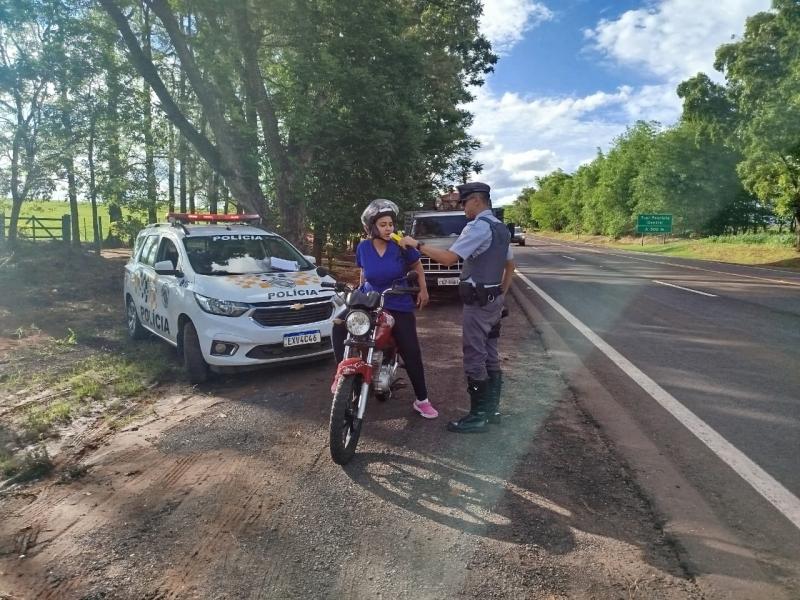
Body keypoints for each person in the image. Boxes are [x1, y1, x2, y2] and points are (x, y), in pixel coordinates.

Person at [399, 182, 514, 433]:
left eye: (464, 204)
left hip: (478, 304)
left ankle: (477, 417)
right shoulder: (500, 228)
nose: (464, 210)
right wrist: (501, 294)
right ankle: (491, 411)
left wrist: (416, 244)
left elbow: (450, 259)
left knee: (474, 356)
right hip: (493, 301)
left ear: (475, 200)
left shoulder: (478, 227)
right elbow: (510, 267)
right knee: (490, 354)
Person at [331, 199, 439, 419]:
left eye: (390, 224)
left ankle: (422, 399)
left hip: (397, 301)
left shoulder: (401, 246)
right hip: (370, 301)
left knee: (410, 350)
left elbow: (417, 266)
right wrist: (358, 293)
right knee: (339, 326)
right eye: (383, 224)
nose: (389, 228)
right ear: (372, 227)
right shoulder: (363, 247)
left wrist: (423, 290)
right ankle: (341, 373)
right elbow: (364, 273)